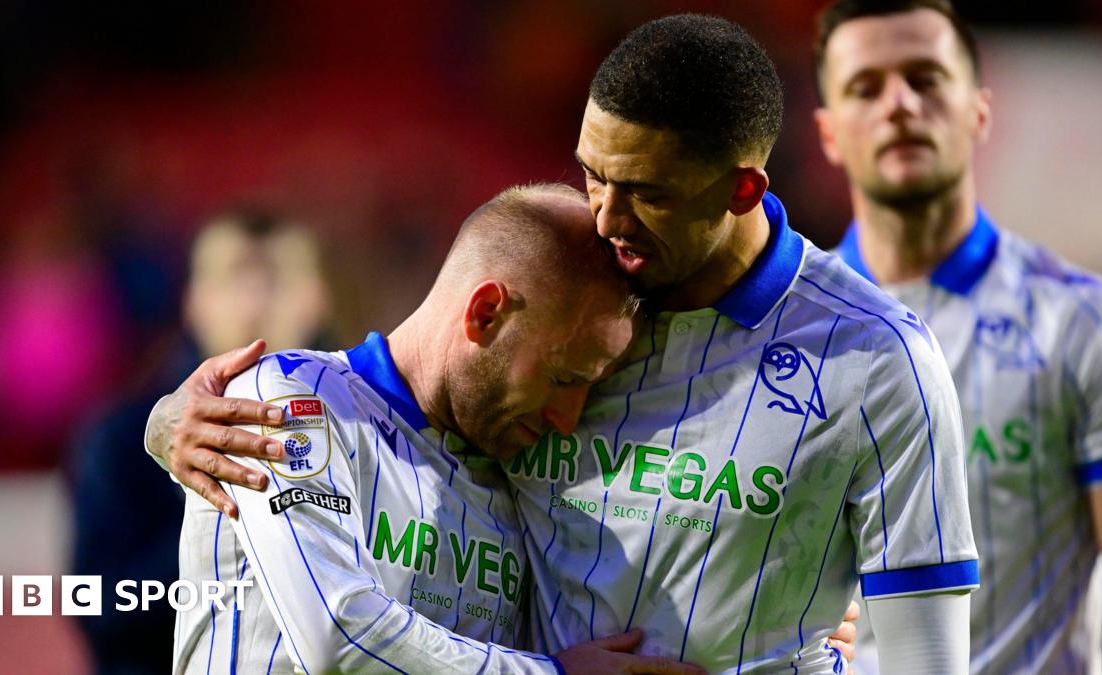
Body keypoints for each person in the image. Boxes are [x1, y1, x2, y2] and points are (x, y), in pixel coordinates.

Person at [150, 15, 972, 672]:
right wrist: (167, 423)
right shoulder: (573, 303)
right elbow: (341, 581)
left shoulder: (876, 360)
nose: (608, 220)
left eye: (644, 192)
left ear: (742, 188)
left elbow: (921, 651)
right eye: (593, 176)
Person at [159, 183, 712, 674]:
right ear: (486, 312)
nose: (566, 419)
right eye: (561, 376)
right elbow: (337, 636)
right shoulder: (291, 397)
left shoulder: (512, 472)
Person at [810, 1, 1102, 672]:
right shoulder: (789, 336)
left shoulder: (1086, 322)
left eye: (926, 79)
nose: (899, 105)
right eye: (865, 88)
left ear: (980, 111)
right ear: (829, 133)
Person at [69, 209, 330, 674]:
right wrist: (222, 507)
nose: (254, 303)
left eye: (277, 278)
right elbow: (101, 609)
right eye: (233, 278)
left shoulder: (368, 433)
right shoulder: (123, 437)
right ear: (193, 300)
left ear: (319, 298)